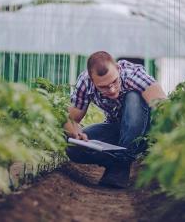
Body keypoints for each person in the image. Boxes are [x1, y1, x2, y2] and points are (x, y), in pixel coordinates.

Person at [64, 51, 166, 188]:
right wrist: (76, 133)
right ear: (91, 79)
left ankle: (119, 169)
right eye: (103, 87)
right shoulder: (84, 82)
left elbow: (165, 109)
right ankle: (121, 160)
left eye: (114, 82)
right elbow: (71, 119)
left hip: (144, 134)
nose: (112, 90)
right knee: (73, 147)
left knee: (134, 97)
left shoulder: (134, 76)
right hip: (116, 129)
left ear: (118, 69)